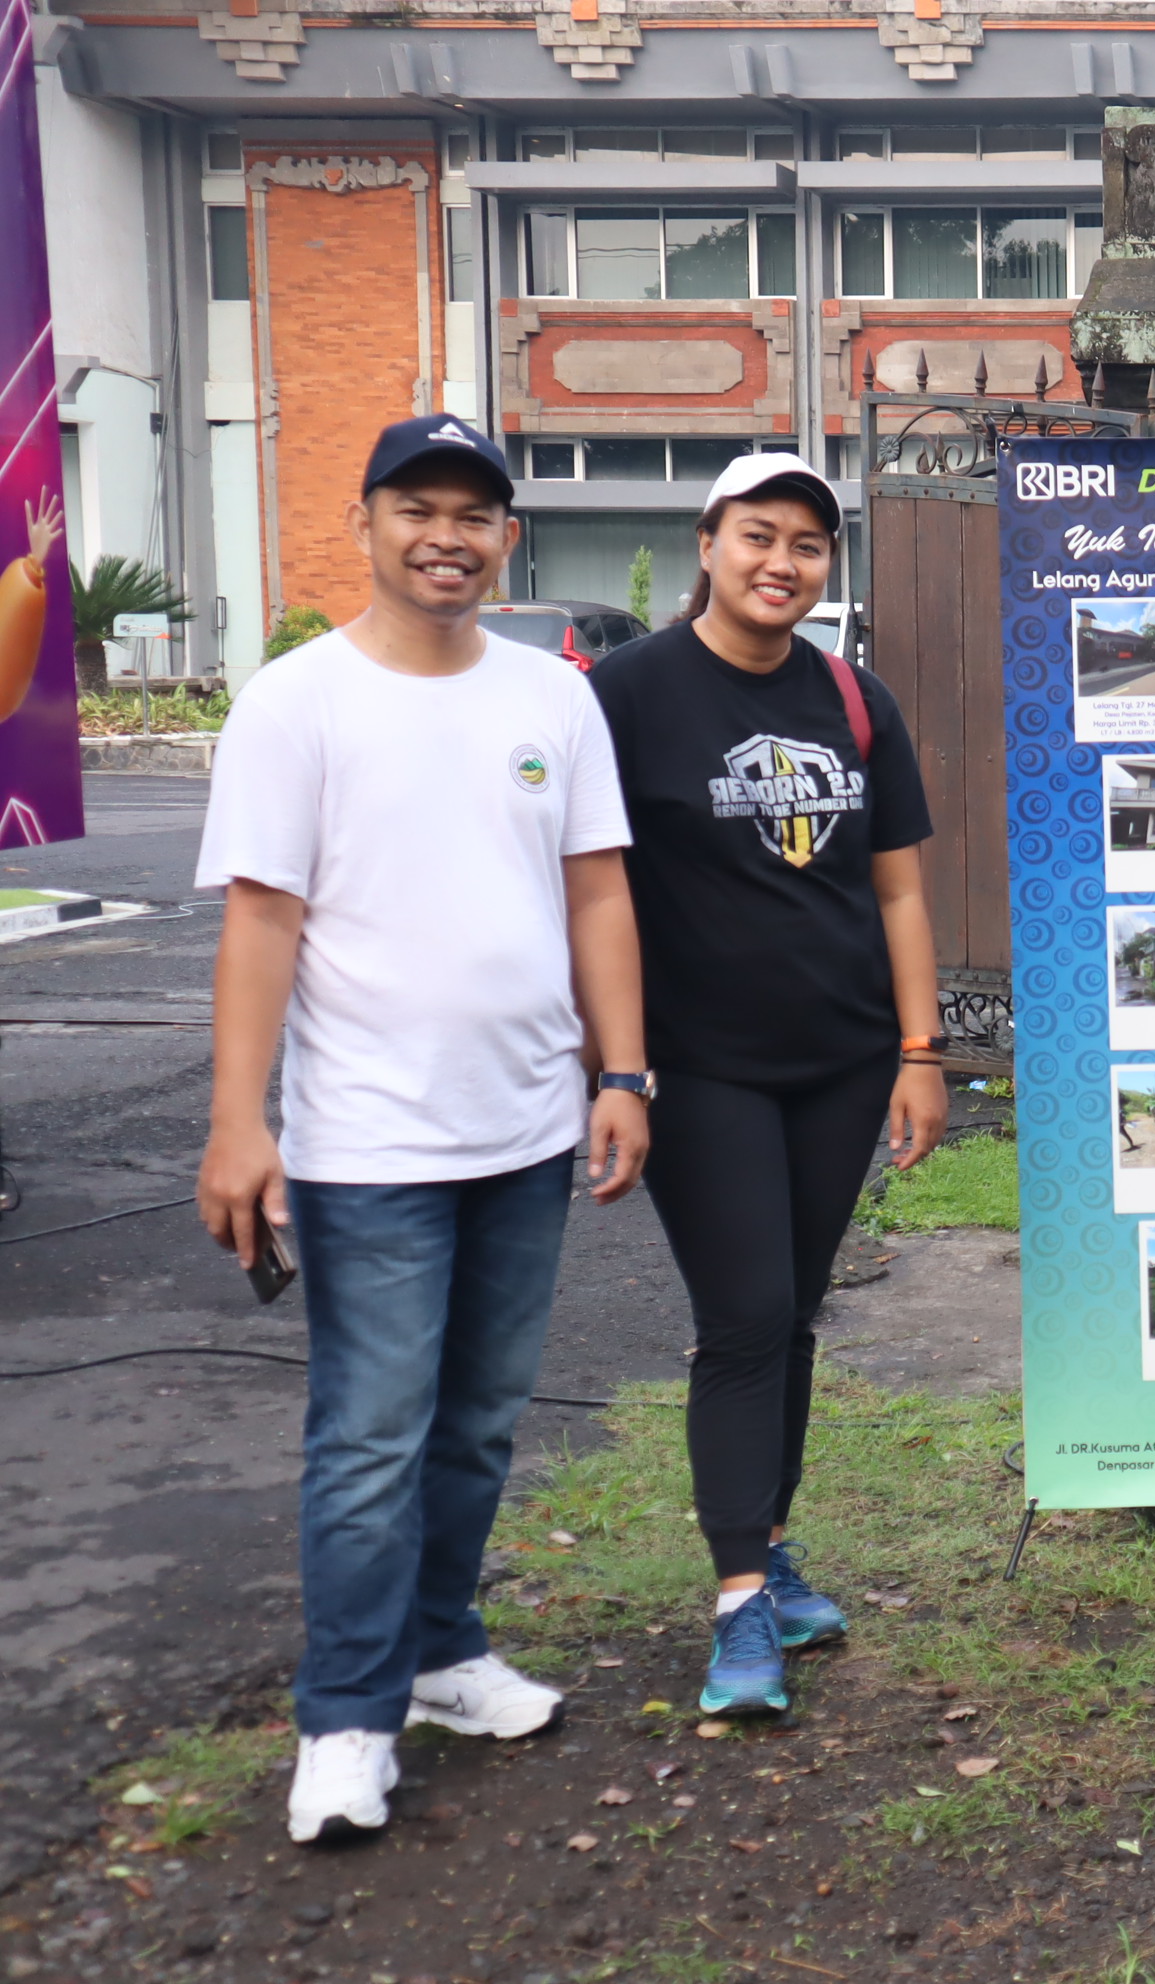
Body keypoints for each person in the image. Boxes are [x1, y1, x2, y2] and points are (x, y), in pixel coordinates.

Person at [195, 415, 651, 1845]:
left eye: (475, 512)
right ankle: (343, 1716)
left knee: (477, 1428)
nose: (447, 534)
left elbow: (596, 895)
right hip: (366, 1147)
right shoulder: (295, 702)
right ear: (367, 521)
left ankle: (446, 1654)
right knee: (370, 1439)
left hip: (523, 1133)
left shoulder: (554, 699)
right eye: (419, 508)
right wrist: (235, 1123)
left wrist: (624, 1075)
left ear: (508, 534)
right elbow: (262, 920)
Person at [588, 453, 945, 1717]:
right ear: (706, 542)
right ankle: (743, 1600)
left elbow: (898, 884)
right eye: (758, 535)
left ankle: (768, 1546)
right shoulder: (627, 695)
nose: (781, 561)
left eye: (806, 542)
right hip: (702, 1068)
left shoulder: (854, 697)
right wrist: (617, 1068)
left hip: (841, 1063)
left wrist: (918, 1052)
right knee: (742, 1317)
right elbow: (595, 894)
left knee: (789, 1315)